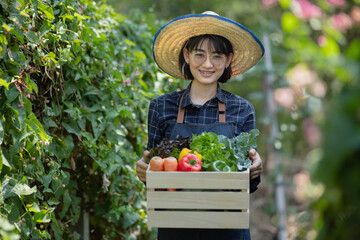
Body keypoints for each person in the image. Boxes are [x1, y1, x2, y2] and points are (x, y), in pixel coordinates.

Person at [136, 11, 264, 240]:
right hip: (175, 227)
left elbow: (247, 186)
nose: (207, 64)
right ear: (186, 55)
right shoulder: (161, 107)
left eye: (217, 56)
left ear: (228, 60)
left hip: (229, 229)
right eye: (199, 54)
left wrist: (254, 171)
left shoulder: (242, 109)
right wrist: (144, 171)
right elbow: (155, 169)